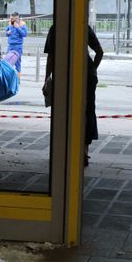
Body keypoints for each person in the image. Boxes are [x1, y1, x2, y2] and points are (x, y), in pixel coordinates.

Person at [43, 24, 105, 166]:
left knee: (63, 113)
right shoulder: (85, 27)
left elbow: (51, 57)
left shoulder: (55, 28)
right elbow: (100, 52)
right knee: (88, 111)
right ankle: (84, 151)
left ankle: (63, 150)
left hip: (64, 76)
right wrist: (91, 70)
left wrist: (47, 79)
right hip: (87, 76)